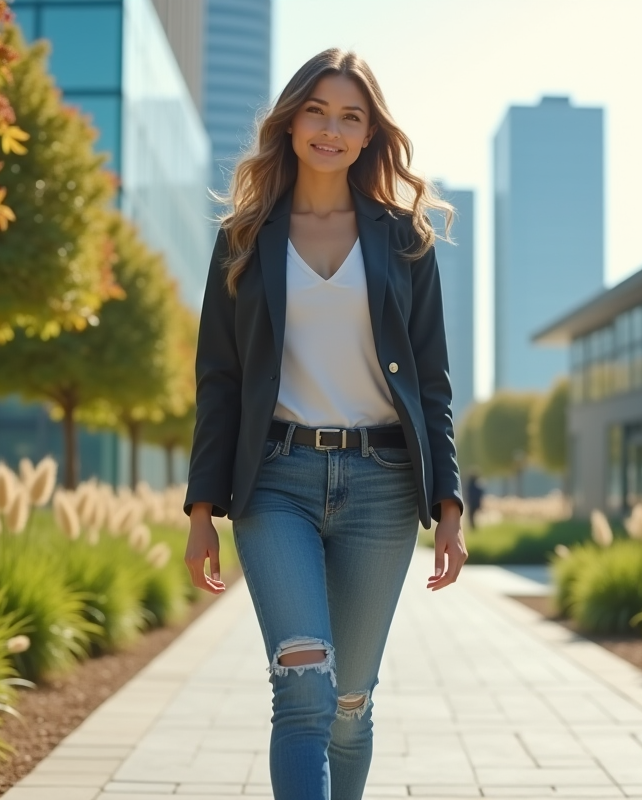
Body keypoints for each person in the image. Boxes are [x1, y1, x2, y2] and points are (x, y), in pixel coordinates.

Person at [183, 48, 468, 800]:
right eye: (317, 111)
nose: (331, 130)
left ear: (371, 133)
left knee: (350, 703)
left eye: (351, 117)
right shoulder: (243, 239)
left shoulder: (405, 240)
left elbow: (433, 385)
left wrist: (450, 507)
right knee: (304, 691)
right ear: (290, 120)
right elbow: (219, 382)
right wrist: (202, 511)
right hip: (275, 482)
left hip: (382, 488)